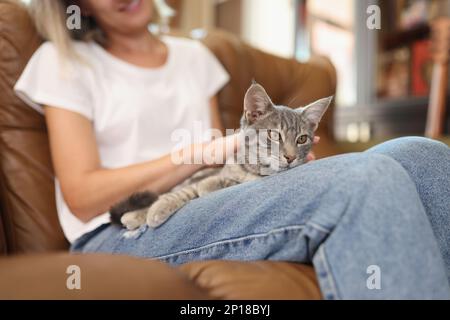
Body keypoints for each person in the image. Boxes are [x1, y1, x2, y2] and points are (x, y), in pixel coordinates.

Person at [14, 0, 450, 299]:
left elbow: (228, 169)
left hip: (212, 199)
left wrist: (279, 170)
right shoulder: (63, 61)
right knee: (362, 178)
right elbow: (83, 196)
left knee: (421, 155)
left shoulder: (194, 57)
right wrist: (201, 152)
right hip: (122, 228)